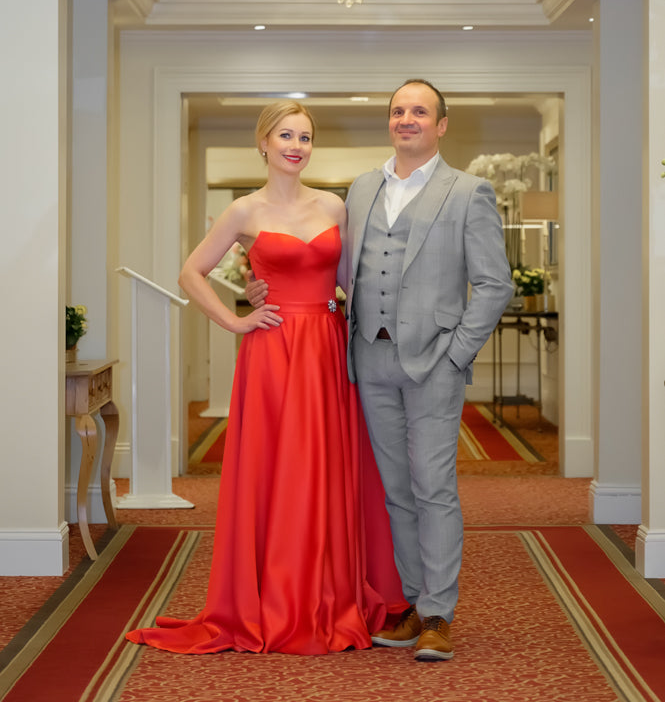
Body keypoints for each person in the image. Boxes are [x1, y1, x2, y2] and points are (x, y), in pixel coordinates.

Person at [126, 100, 406, 656]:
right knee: (276, 469)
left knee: (325, 468)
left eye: (305, 136)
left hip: (326, 347)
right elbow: (191, 272)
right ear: (264, 142)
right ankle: (272, 598)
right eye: (285, 135)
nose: (296, 145)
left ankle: (328, 592)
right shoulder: (243, 211)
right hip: (273, 351)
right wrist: (236, 318)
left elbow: (353, 277)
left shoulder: (335, 205)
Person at [248, 80, 513, 662]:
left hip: (435, 361)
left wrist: (457, 352)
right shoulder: (361, 190)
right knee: (394, 490)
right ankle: (415, 602)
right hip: (367, 358)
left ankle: (440, 612)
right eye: (398, 110)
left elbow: (496, 285)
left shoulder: (469, 192)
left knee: (433, 486)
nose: (407, 119)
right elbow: (335, 272)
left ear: (441, 125)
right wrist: (260, 283)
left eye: (419, 111)